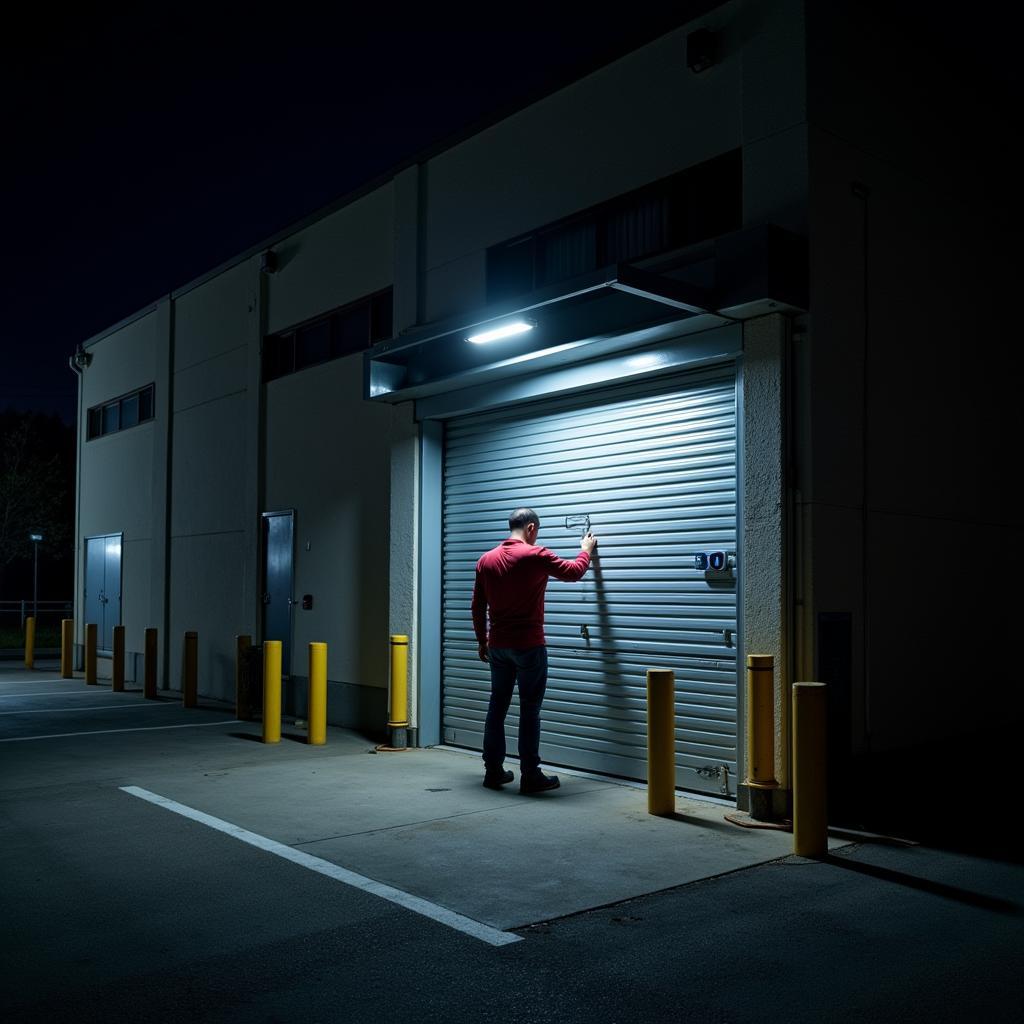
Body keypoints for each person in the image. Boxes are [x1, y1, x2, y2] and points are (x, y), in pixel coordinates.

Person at [471, 507, 597, 794]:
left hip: (498, 647)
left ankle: (493, 772)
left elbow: (478, 606)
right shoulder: (535, 554)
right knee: (529, 710)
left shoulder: (485, 560)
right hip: (528, 645)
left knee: (496, 707)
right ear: (530, 529)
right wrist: (585, 549)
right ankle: (530, 776)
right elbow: (574, 572)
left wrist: (482, 640)